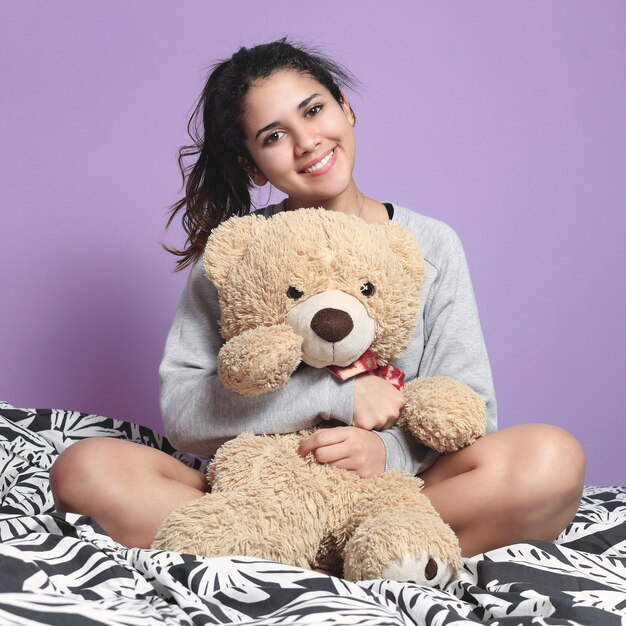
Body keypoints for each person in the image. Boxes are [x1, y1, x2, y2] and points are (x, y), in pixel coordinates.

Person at [50, 39, 585, 558]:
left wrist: (388, 451)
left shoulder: (430, 245)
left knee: (551, 459)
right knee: (84, 470)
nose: (306, 141)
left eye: (313, 110)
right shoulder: (238, 254)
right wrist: (336, 399)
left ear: (346, 110)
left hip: (396, 495)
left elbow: (469, 411)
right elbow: (186, 414)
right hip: (262, 491)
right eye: (274, 135)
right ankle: (294, 547)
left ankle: (352, 547)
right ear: (254, 166)